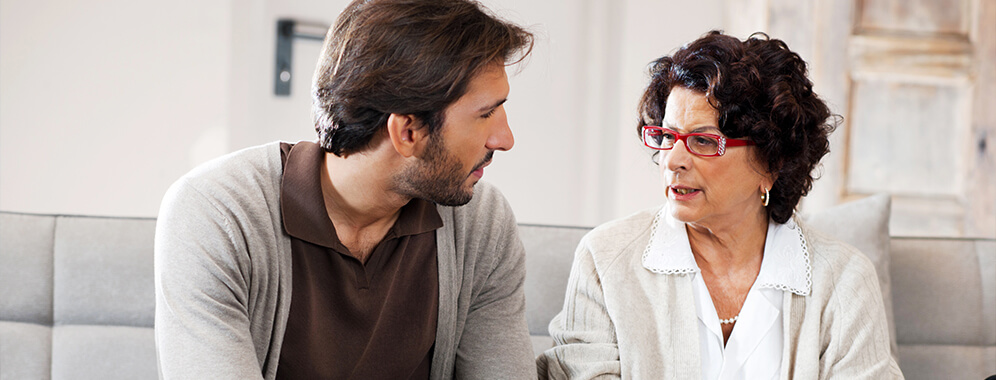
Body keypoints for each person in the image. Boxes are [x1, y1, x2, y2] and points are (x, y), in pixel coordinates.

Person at [154, 0, 536, 378]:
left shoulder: (480, 225)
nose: (505, 139)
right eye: (486, 114)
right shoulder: (218, 214)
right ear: (406, 132)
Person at [537, 31, 903, 379]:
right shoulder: (606, 262)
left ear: (772, 162)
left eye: (703, 141)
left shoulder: (845, 282)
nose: (672, 160)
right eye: (667, 136)